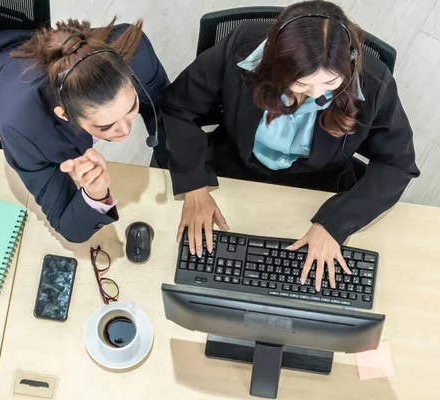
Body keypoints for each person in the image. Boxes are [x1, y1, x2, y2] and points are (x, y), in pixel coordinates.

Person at [160, 0, 420, 289]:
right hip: (231, 166)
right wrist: (194, 184)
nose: (318, 95)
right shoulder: (243, 45)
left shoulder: (374, 82)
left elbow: (398, 163)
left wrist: (334, 224)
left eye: (330, 82)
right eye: (301, 84)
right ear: (275, 64)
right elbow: (178, 106)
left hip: (318, 185)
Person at [0, 18, 169, 243]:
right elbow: (66, 224)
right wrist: (96, 194)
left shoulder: (136, 53)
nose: (125, 130)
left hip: (1, 61)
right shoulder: (26, 129)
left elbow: (170, 112)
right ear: (64, 115)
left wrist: (189, 180)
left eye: (132, 106)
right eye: (105, 126)